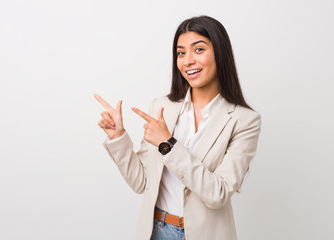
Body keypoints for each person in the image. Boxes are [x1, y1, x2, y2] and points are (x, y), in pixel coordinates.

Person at [94, 15, 261, 240]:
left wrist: (168, 145)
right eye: (181, 53)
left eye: (198, 50)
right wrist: (118, 137)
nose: (188, 60)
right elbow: (142, 182)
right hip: (157, 230)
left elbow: (217, 193)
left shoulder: (244, 120)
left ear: (220, 54)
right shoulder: (163, 107)